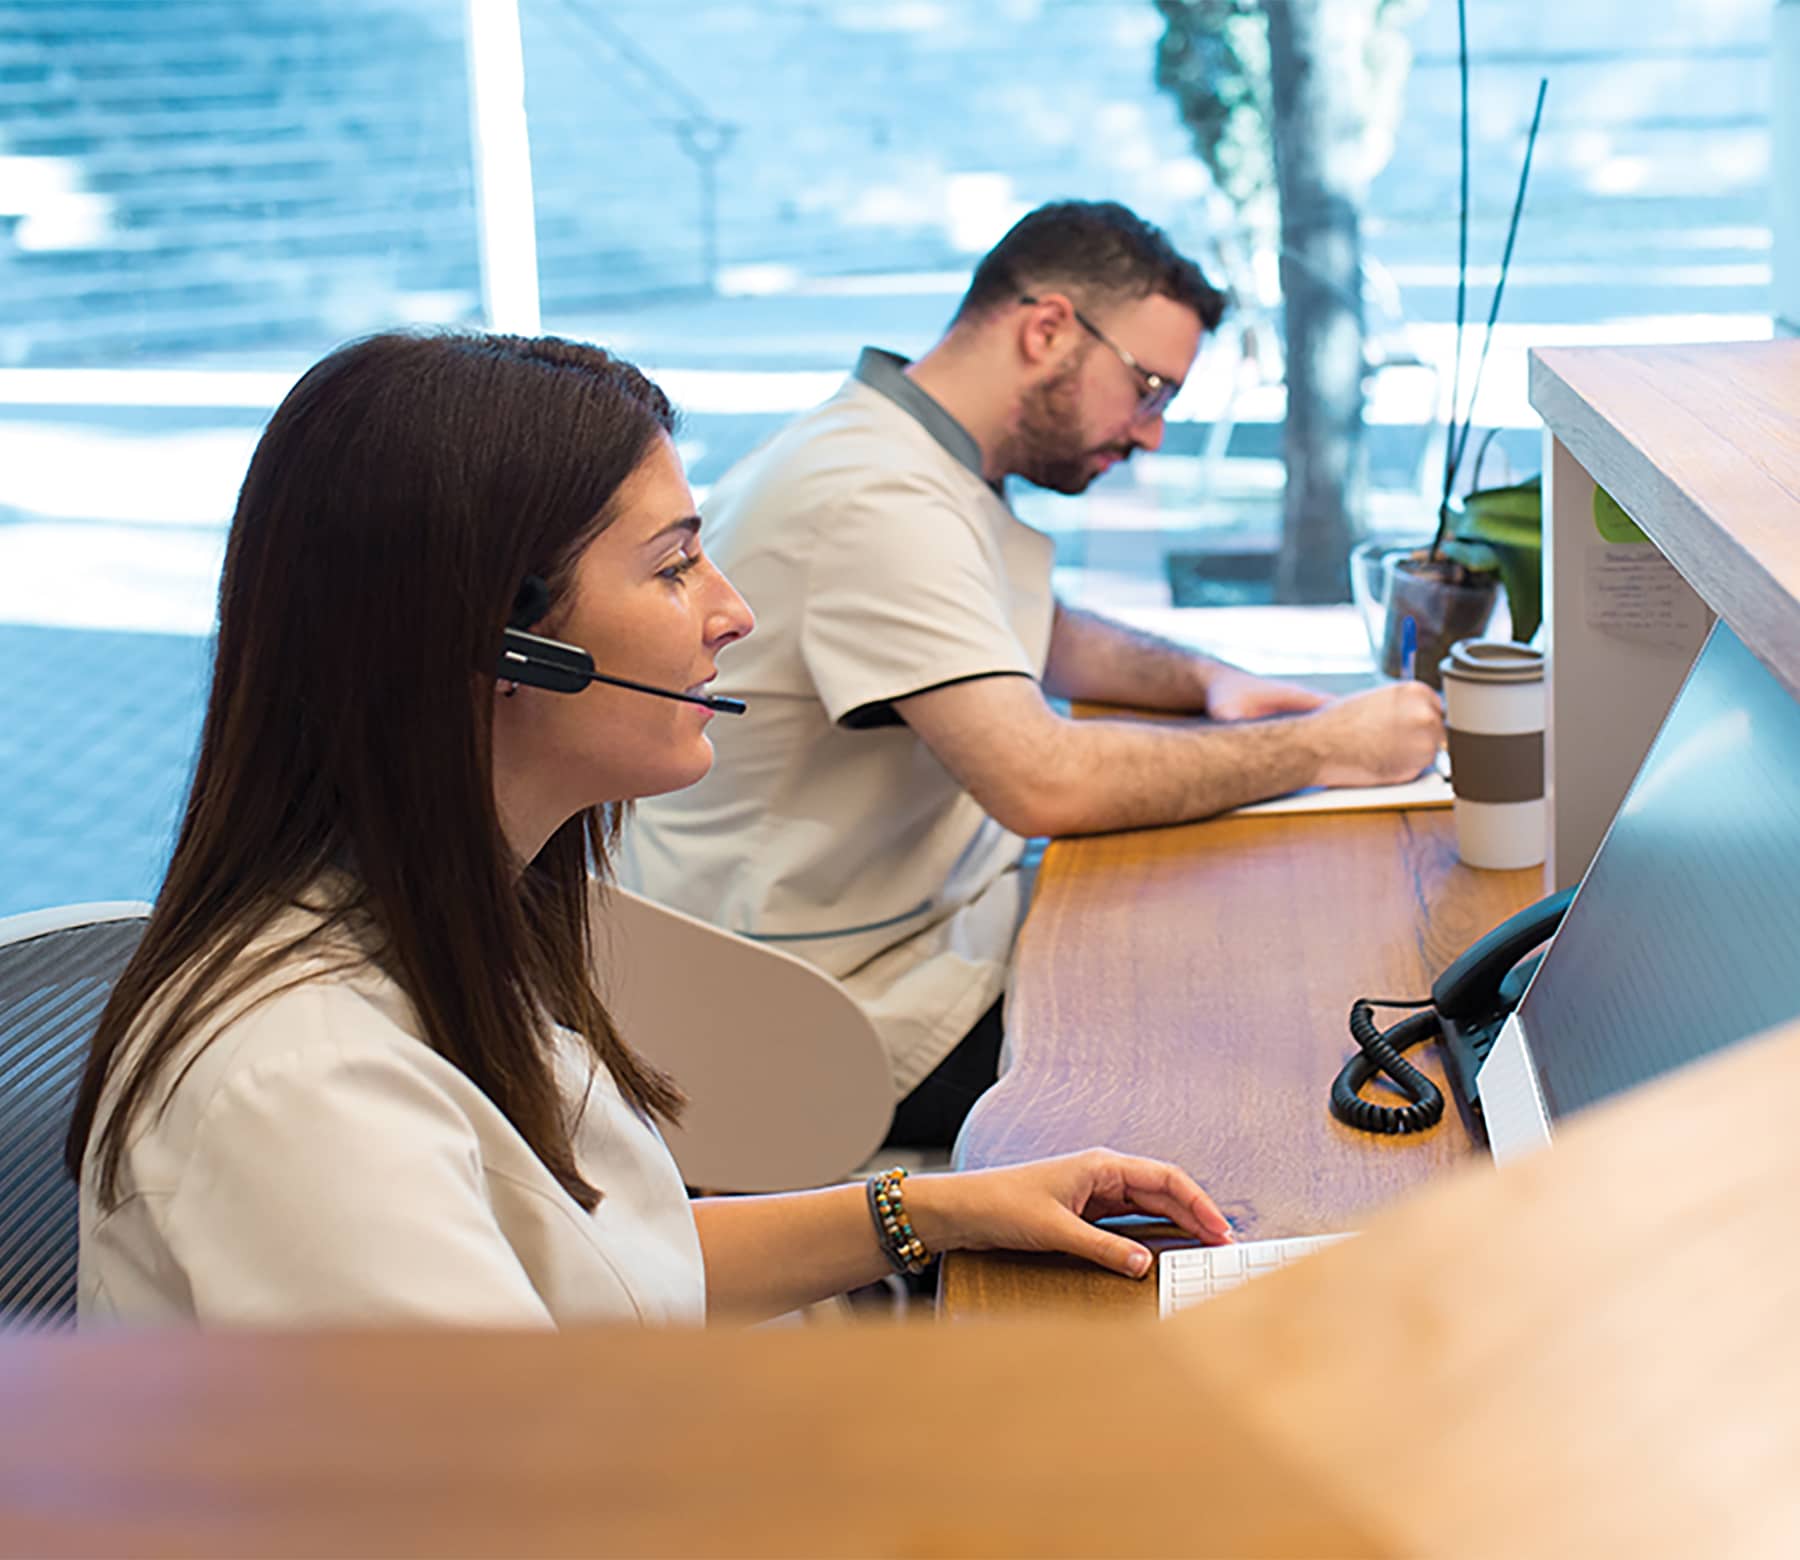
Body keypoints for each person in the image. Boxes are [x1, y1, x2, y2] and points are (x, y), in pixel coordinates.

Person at [63, 330, 1231, 1329]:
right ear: (501, 651)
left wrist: (936, 1211)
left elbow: (607, 1273)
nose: (734, 613)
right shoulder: (299, 1089)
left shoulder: (452, 922)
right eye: (674, 568)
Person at [622, 200, 1445, 1147]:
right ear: (1048, 327)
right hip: (823, 1011)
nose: (1151, 436)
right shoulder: (873, 495)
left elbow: (1034, 630)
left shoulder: (899, 449)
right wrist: (1322, 743)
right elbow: (1043, 780)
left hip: (909, 932)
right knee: (1255, 1040)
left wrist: (1208, 682)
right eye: (1148, 389)